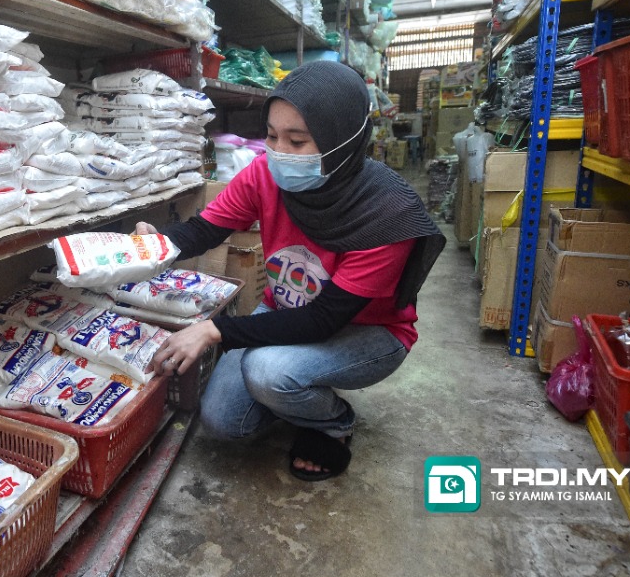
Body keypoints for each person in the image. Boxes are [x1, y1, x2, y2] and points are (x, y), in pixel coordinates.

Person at [135, 61, 445, 481]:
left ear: (342, 142)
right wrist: (158, 244)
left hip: (369, 332)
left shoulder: (387, 215)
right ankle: (297, 393)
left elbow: (324, 319)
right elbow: (207, 229)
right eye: (272, 136)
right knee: (224, 420)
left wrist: (216, 331)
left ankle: (333, 423)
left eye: (297, 141)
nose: (278, 152)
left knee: (268, 372)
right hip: (286, 311)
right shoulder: (265, 174)